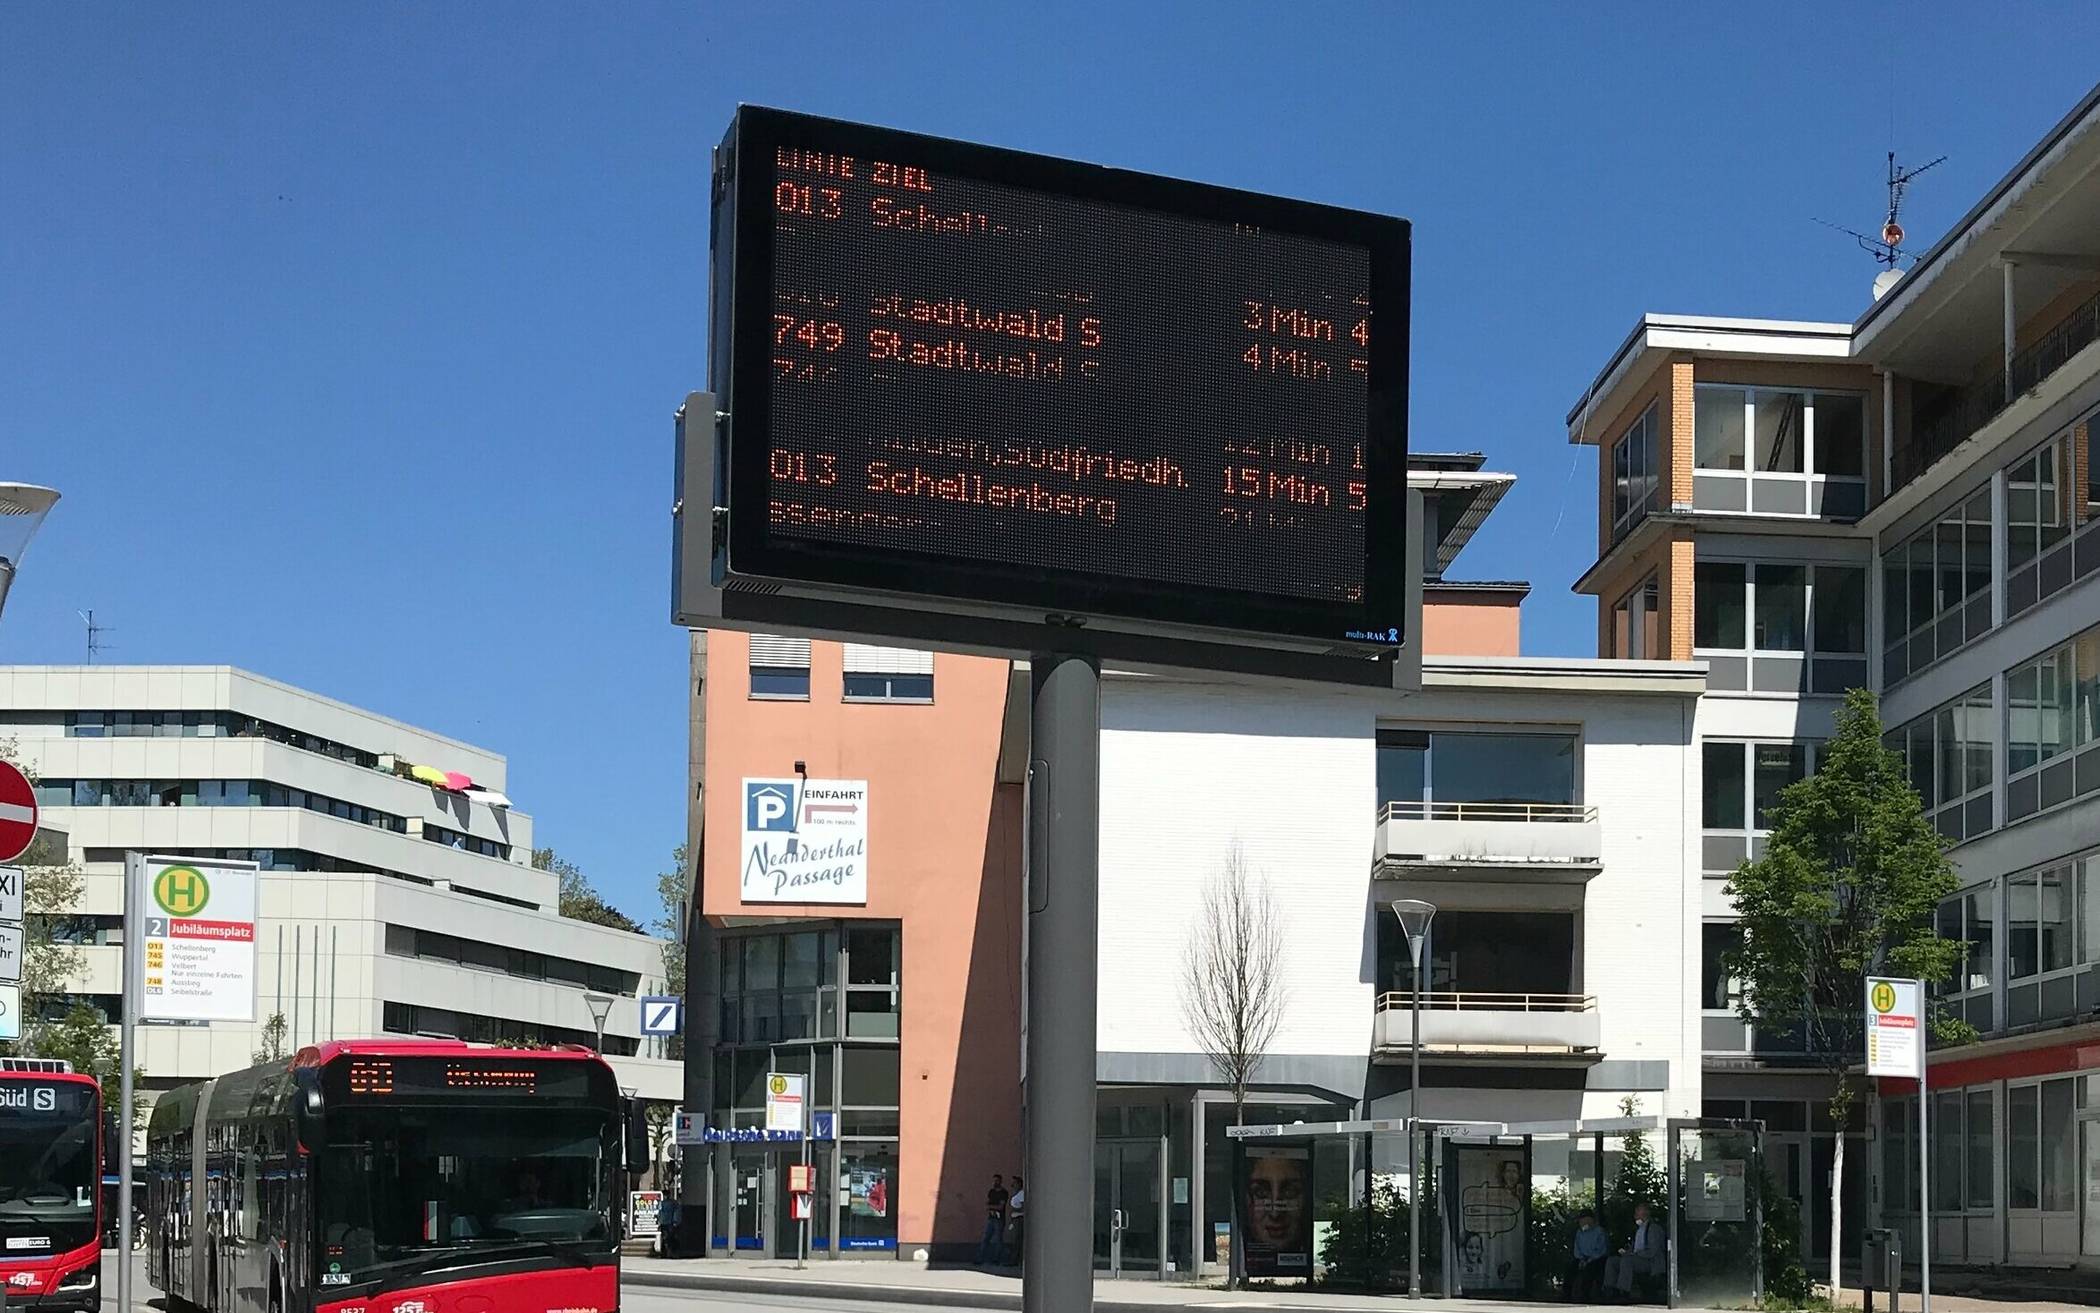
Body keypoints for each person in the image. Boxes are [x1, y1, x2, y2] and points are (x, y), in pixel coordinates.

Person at [1605, 1202, 1667, 1300]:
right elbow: (1634, 1247)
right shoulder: (1639, 1229)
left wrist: (1635, 1254)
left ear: (1646, 1213)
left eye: (1638, 1212)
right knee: (1612, 1261)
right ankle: (1610, 1289)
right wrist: (1627, 1252)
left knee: (1627, 1261)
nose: (1635, 1215)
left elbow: (1653, 1251)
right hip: (1637, 1258)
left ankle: (1623, 1291)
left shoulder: (1654, 1229)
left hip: (1650, 1261)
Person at [1566, 1211, 1607, 1302]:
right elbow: (1577, 1249)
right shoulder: (1579, 1232)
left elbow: (1601, 1250)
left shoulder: (1599, 1231)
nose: (1582, 1222)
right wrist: (1581, 1259)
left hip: (1596, 1259)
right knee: (1570, 1269)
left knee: (1590, 1270)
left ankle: (1586, 1296)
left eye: (1584, 1220)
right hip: (1582, 1258)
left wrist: (1589, 1260)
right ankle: (1566, 1295)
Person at [977, 1173, 1009, 1265]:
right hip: (991, 1217)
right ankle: (980, 1258)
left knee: (998, 1239)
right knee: (985, 1238)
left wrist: (991, 1206)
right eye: (994, 1180)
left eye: (997, 1180)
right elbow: (987, 1204)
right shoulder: (991, 1192)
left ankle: (996, 1259)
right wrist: (992, 1207)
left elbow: (1001, 1207)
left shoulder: (1004, 1193)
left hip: (999, 1218)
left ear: (1000, 1181)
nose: (995, 1182)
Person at [1004, 1175, 1025, 1266]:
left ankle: (1015, 1260)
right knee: (1015, 1239)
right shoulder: (1016, 1194)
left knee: (1018, 1240)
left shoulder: (1021, 1194)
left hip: (1019, 1218)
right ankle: (1014, 1259)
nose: (1012, 1184)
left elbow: (1024, 1207)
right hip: (1015, 1219)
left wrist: (1017, 1213)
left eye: (1014, 1183)